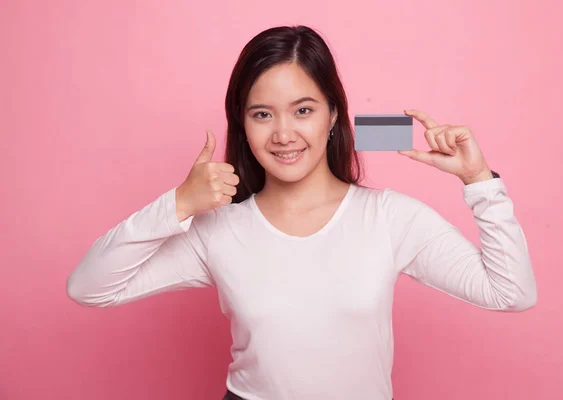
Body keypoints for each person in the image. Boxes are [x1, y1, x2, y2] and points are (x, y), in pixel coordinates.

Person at [66, 25, 537, 400]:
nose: (284, 134)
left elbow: (511, 292)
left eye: (303, 110)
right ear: (243, 124)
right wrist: (178, 204)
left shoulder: (390, 218)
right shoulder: (218, 230)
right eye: (262, 114)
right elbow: (88, 288)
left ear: (334, 115)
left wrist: (480, 183)